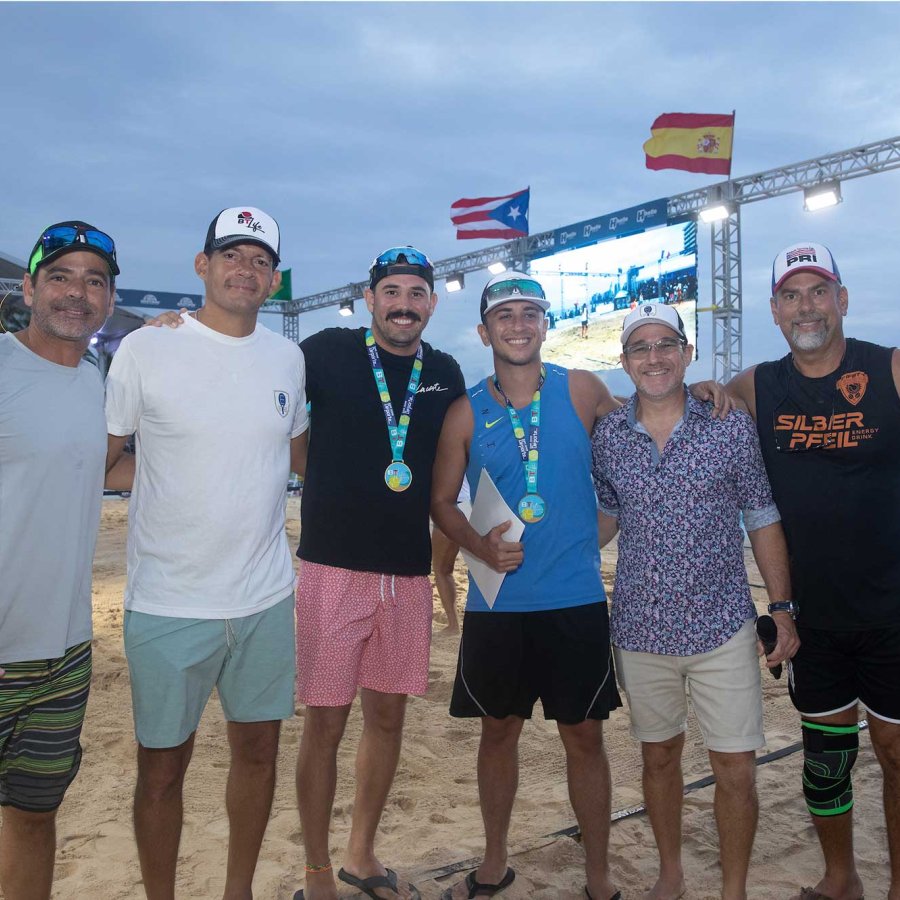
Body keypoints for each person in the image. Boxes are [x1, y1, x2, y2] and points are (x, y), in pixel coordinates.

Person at [104, 207, 309, 900]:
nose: (244, 270)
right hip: (168, 602)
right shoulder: (145, 348)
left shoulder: (288, 357)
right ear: (202, 265)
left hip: (264, 599)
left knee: (258, 753)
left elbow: (298, 450)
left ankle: (238, 891)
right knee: (161, 770)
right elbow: (102, 461)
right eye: (231, 255)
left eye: (259, 261)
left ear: (273, 280)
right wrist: (162, 478)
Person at [591, 301, 798, 900]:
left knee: (735, 767)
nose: (653, 358)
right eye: (639, 347)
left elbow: (761, 514)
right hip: (640, 628)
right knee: (659, 760)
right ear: (624, 360)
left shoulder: (729, 423)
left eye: (665, 345)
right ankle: (670, 874)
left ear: (687, 352)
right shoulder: (609, 435)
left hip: (723, 626)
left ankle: (733, 889)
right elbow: (606, 515)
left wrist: (781, 606)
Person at [431, 272, 623, 900]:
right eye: (505, 315)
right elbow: (440, 501)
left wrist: (599, 528)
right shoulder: (467, 409)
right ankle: (493, 862)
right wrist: (479, 546)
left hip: (575, 600)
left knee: (585, 736)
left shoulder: (584, 390)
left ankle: (597, 875)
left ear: (545, 326)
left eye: (530, 314)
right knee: (498, 733)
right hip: (499, 600)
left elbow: (643, 446)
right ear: (484, 330)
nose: (518, 325)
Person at [725, 243, 900, 900]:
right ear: (775, 310)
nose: (807, 306)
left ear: (842, 299)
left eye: (818, 291)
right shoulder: (758, 385)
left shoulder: (889, 370)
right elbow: (697, 410)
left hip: (892, 610)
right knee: (827, 761)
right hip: (811, 615)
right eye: (792, 295)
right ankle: (840, 878)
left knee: (893, 754)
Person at [292, 247, 465, 900]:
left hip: (406, 574)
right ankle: (315, 871)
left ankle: (360, 854)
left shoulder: (444, 371)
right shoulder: (327, 351)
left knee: (387, 719)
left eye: (415, 293)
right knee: (325, 723)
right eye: (390, 291)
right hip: (332, 569)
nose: (402, 303)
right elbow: (262, 388)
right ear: (370, 299)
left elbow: (467, 447)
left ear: (430, 303)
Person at [0, 221, 119, 900]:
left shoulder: (96, 381)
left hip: (66, 655)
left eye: (94, 281)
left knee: (33, 818)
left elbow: (105, 466)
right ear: (29, 286)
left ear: (108, 300)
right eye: (61, 276)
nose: (78, 292)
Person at [430, 478, 470, 635]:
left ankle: (454, 624)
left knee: (441, 569)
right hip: (472, 503)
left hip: (449, 506)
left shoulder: (441, 453)